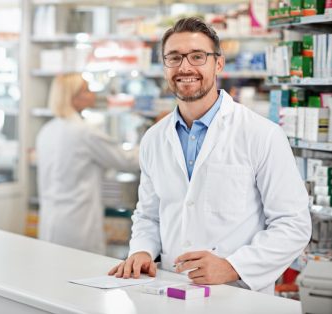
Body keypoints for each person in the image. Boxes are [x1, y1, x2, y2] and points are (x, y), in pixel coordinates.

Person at [108, 17, 311, 294]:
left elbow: (293, 224)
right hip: (170, 290)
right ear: (164, 66)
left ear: (218, 63)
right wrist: (143, 251)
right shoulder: (154, 138)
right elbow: (149, 215)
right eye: (174, 58)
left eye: (197, 56)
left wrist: (232, 266)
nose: (185, 67)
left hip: (238, 295)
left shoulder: (261, 134)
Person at [37, 73, 139, 255]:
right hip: (78, 226)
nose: (92, 94)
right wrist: (156, 138)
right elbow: (127, 160)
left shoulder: (47, 130)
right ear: (73, 97)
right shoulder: (84, 132)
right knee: (80, 276)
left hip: (50, 221)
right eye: (86, 90)